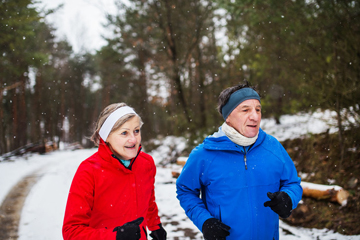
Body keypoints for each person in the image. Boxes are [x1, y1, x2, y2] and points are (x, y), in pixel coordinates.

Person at [176, 82, 303, 240]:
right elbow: (185, 190)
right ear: (228, 116)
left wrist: (289, 197)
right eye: (246, 110)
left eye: (258, 109)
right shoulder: (204, 154)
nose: (255, 116)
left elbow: (293, 183)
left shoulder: (273, 147)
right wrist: (205, 221)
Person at [62, 103, 166, 240]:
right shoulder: (88, 171)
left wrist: (155, 225)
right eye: (124, 133)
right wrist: (116, 236)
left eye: (136, 131)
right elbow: (72, 231)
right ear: (106, 136)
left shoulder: (146, 163)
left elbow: (149, 200)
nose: (133, 139)